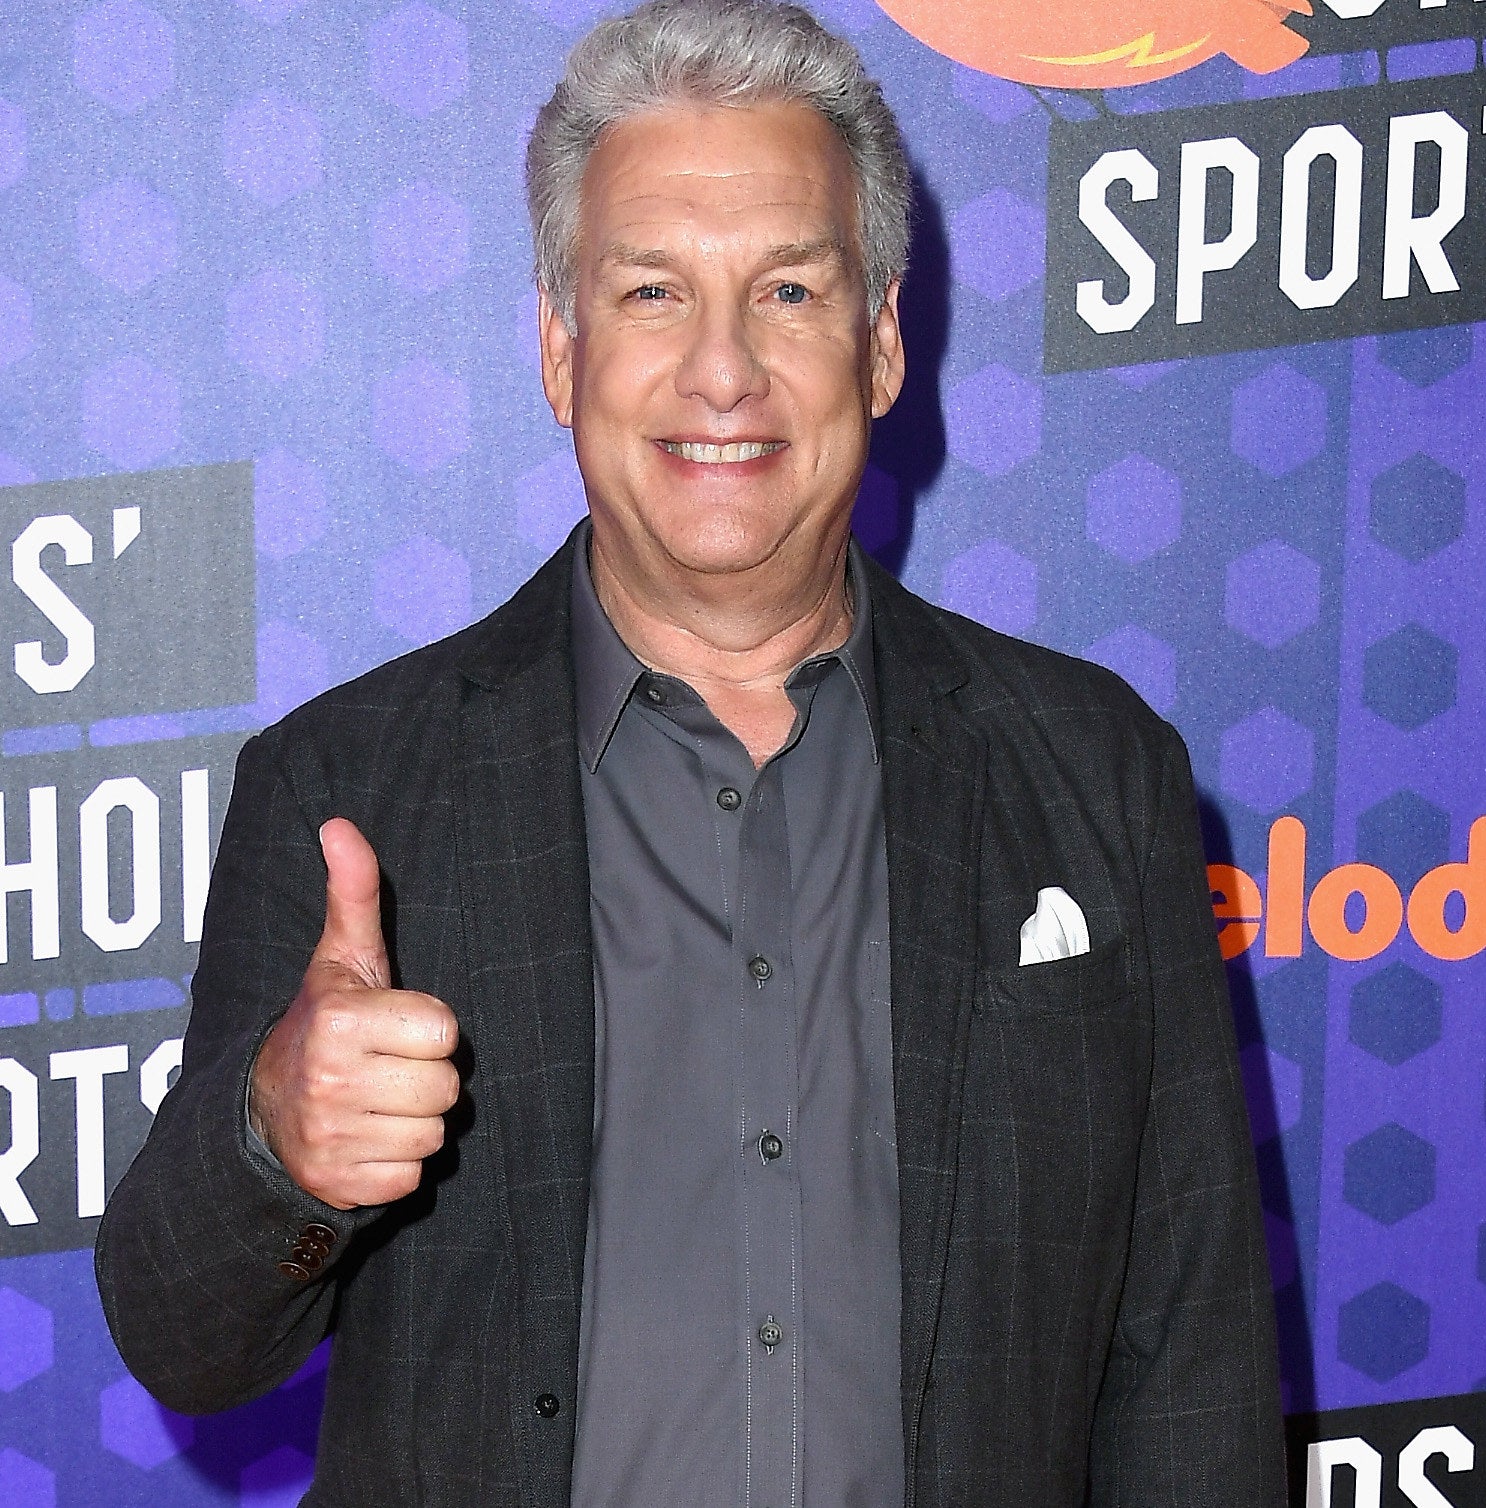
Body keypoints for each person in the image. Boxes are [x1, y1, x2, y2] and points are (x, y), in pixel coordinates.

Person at [95, 0, 1287, 1503]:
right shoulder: (350, 787)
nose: (722, 371)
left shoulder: (1092, 768)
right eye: (653, 292)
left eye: (787, 291)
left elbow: (1190, 1367)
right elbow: (181, 1339)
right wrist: (277, 1140)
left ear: (878, 346)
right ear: (558, 349)